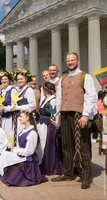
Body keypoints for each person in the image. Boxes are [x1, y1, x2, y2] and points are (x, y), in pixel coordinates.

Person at [53, 52, 97, 189]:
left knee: (83, 145)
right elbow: (59, 99)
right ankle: (68, 172)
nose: (70, 62)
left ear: (77, 61)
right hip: (65, 114)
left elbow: (91, 96)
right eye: (68, 60)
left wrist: (85, 115)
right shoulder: (63, 78)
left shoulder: (85, 76)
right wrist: (57, 117)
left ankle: (85, 176)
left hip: (79, 114)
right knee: (66, 144)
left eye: (72, 60)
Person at [0, 110, 45, 187]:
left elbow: (29, 151)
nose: (19, 118)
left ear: (27, 118)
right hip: (22, 155)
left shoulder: (32, 133)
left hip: (28, 160)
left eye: (21, 117)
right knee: (5, 154)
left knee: (12, 179)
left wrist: (16, 150)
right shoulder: (23, 130)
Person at [36, 82, 62, 176]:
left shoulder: (53, 100)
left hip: (48, 126)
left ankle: (50, 167)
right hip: (42, 124)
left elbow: (55, 113)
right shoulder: (46, 99)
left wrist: (55, 121)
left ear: (46, 89)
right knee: (42, 145)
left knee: (48, 145)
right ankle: (43, 166)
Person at [13, 69, 36, 144]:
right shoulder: (20, 90)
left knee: (24, 138)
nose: (20, 81)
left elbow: (32, 106)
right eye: (18, 79)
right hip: (19, 117)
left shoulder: (29, 90)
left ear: (26, 79)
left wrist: (18, 107)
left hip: (26, 118)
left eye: (21, 79)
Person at [0, 71, 17, 145]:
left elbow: (14, 105)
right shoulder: (1, 91)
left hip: (10, 116)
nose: (3, 81)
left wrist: (5, 108)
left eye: (5, 79)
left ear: (9, 80)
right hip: (2, 116)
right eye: (2, 79)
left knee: (9, 133)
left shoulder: (13, 90)